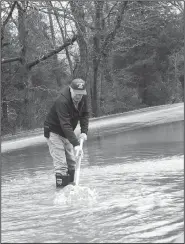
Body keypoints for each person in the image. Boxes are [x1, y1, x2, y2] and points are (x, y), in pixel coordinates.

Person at [44, 78, 89, 188]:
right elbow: (65, 124)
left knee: (72, 163)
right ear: (71, 89)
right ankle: (60, 193)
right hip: (53, 131)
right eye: (77, 94)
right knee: (61, 166)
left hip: (66, 133)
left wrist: (84, 132)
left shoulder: (83, 98)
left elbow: (85, 115)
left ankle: (72, 188)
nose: (79, 97)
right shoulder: (62, 101)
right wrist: (76, 144)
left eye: (81, 94)